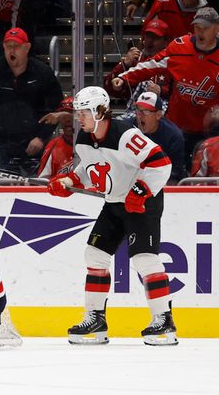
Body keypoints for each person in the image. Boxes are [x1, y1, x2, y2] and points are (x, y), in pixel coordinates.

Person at [47, 86, 177, 346]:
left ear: (98, 111)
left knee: (144, 260)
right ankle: (95, 320)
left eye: (83, 113)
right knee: (94, 255)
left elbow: (161, 163)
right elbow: (89, 171)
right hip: (114, 202)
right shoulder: (84, 139)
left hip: (143, 202)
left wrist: (139, 191)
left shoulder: (125, 135)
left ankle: (164, 321)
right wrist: (69, 181)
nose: (78, 118)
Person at [113, 7, 219, 163]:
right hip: (176, 125)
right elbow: (150, 65)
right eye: (197, 27)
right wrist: (124, 77)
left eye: (206, 28)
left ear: (217, 29)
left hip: (211, 129)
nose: (200, 32)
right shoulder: (179, 47)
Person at [0, 27, 63, 175]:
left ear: (27, 48)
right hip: (0, 140)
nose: (12, 51)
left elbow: (55, 108)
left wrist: (41, 137)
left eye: (16, 46)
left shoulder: (43, 72)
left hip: (33, 142)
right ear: (3, 47)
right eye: (8, 46)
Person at [104, 19, 172, 105]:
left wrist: (162, 91)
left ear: (166, 41)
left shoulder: (172, 61)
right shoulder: (135, 60)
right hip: (135, 112)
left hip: (165, 112)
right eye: (148, 36)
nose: (150, 41)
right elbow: (109, 88)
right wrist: (124, 64)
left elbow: (182, 91)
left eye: (155, 37)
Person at [135, 91, 187, 184]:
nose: (140, 115)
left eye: (146, 111)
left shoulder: (173, 136)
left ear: (158, 115)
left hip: (163, 182)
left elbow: (175, 172)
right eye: (138, 110)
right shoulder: (128, 128)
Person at [37, 96, 74, 179]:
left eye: (70, 115)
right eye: (63, 117)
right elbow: (42, 181)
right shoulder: (53, 145)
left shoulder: (92, 142)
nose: (67, 120)